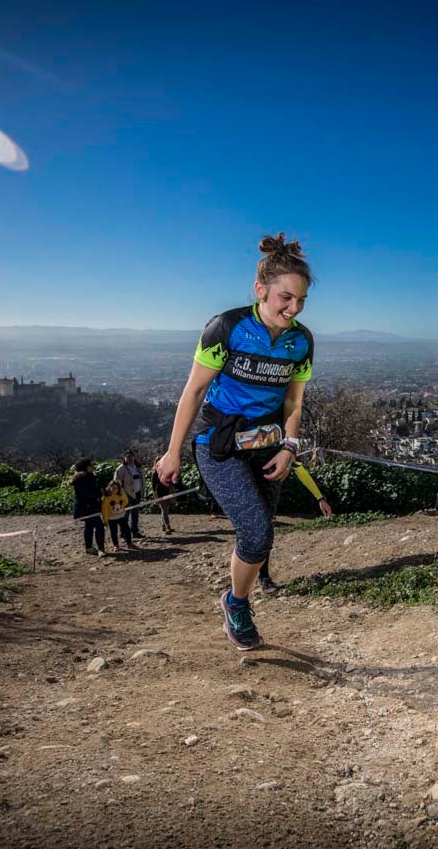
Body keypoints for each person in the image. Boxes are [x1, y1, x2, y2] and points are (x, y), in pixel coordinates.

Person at [155, 233, 315, 650]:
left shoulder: (302, 341)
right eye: (285, 297)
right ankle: (237, 603)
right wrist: (173, 452)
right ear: (260, 290)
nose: (293, 308)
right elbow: (192, 393)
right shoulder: (226, 327)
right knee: (257, 531)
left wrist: (289, 447)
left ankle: (244, 590)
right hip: (219, 445)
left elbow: (294, 402)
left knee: (263, 534)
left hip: (269, 446)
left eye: (300, 300)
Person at [257, 460, 334, 595]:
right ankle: (245, 584)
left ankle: (264, 578)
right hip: (249, 490)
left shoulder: (285, 448)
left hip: (270, 495)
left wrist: (320, 498)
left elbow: (300, 470)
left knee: (265, 534)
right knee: (251, 534)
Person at [70, 458, 105, 557]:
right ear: (85, 467)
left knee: (89, 526)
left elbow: (96, 487)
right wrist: (99, 493)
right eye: (90, 465)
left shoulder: (90, 477)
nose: (92, 466)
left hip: (91, 507)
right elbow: (85, 494)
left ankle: (89, 547)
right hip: (86, 507)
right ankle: (100, 549)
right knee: (99, 527)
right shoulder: (81, 479)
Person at [114, 451, 145, 538]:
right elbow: (116, 482)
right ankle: (123, 532)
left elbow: (142, 481)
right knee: (125, 514)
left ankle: (134, 531)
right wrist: (120, 493)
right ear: (124, 458)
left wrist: (142, 492)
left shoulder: (138, 468)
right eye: (127, 457)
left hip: (137, 493)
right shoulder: (121, 469)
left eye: (131, 456)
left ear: (134, 457)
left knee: (135, 514)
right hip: (126, 495)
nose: (130, 458)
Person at [102, 479, 135, 552]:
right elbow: (104, 510)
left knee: (127, 530)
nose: (115, 489)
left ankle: (129, 543)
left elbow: (126, 501)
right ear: (109, 488)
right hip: (111, 518)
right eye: (113, 488)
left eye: (116, 488)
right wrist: (105, 520)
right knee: (114, 532)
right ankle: (116, 545)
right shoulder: (106, 498)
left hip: (121, 516)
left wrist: (121, 505)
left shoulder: (121, 495)